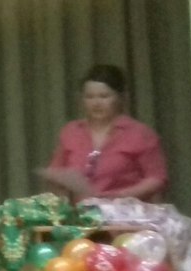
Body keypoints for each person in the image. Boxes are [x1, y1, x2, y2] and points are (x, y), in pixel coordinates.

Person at [41, 64, 168, 201]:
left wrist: (121, 195)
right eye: (89, 97)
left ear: (121, 98)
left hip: (124, 210)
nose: (96, 103)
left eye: (104, 96)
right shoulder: (71, 131)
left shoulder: (140, 133)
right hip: (80, 210)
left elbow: (157, 178)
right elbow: (55, 172)